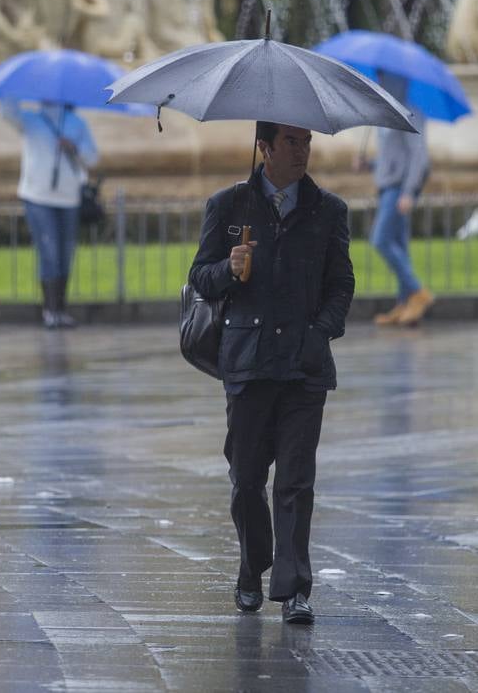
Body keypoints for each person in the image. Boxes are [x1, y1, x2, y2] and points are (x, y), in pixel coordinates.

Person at [188, 122, 354, 625]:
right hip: (247, 362)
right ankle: (250, 567)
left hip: (303, 368)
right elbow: (200, 275)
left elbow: (341, 285)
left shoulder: (329, 210)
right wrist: (228, 269)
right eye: (291, 142)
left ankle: (296, 587)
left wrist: (319, 331)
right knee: (245, 480)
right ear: (265, 147)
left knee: (296, 482)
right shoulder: (229, 206)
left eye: (307, 142)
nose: (302, 150)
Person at [2, 100, 99, 329]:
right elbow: (7, 111)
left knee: (64, 254)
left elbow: (92, 157)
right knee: (49, 251)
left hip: (69, 198)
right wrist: (11, 89)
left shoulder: (76, 123)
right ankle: (50, 310)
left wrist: (74, 147)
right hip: (38, 197)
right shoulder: (31, 120)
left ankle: (60, 309)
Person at [365, 78, 435, 326]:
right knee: (400, 247)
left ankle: (418, 292)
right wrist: (368, 165)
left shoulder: (410, 111)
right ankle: (405, 304)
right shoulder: (388, 112)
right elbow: (394, 156)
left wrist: (409, 192)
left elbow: (419, 157)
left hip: (398, 190)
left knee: (381, 240)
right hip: (388, 186)